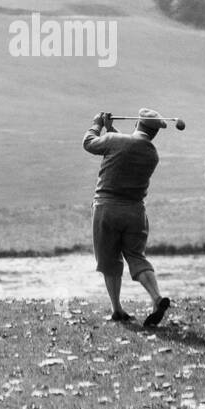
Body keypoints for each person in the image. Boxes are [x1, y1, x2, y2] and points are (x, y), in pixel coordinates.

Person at [83, 107, 171, 328]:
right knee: (136, 257)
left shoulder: (115, 141)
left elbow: (89, 143)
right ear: (154, 133)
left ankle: (117, 309)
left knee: (109, 260)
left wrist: (97, 124)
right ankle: (156, 298)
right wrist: (111, 130)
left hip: (107, 209)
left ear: (137, 123)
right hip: (135, 212)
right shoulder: (152, 154)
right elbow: (127, 147)